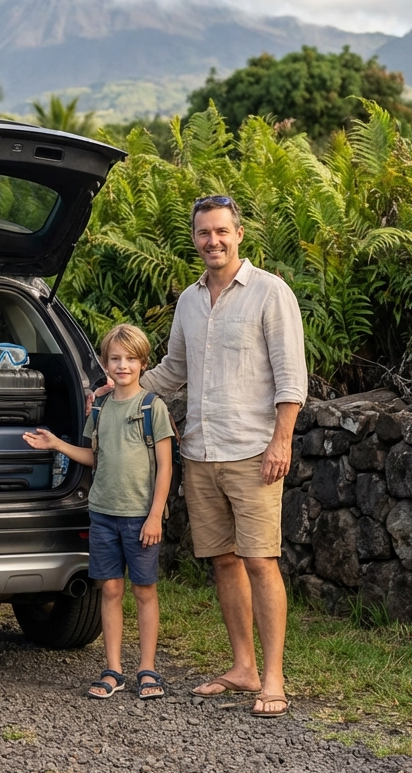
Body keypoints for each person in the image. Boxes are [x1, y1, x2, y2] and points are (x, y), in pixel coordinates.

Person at [139, 194, 307, 718]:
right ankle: (243, 668)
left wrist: (282, 441)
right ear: (194, 239)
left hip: (253, 450)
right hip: (201, 450)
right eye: (203, 233)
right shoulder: (189, 301)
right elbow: (173, 370)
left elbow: (290, 376)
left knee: (260, 560)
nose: (213, 240)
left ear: (239, 235)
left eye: (221, 232)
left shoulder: (269, 292)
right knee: (224, 561)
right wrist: (120, 386)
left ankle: (274, 678)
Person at [24, 324, 174, 701]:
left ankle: (148, 669)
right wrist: (56, 443)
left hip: (141, 517)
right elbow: (94, 456)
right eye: (115, 359)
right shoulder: (102, 407)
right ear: (106, 364)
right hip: (103, 513)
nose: (122, 366)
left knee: (144, 590)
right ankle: (113, 669)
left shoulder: (152, 407)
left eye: (130, 359)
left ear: (143, 362)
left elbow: (166, 467)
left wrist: (155, 515)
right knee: (109, 589)